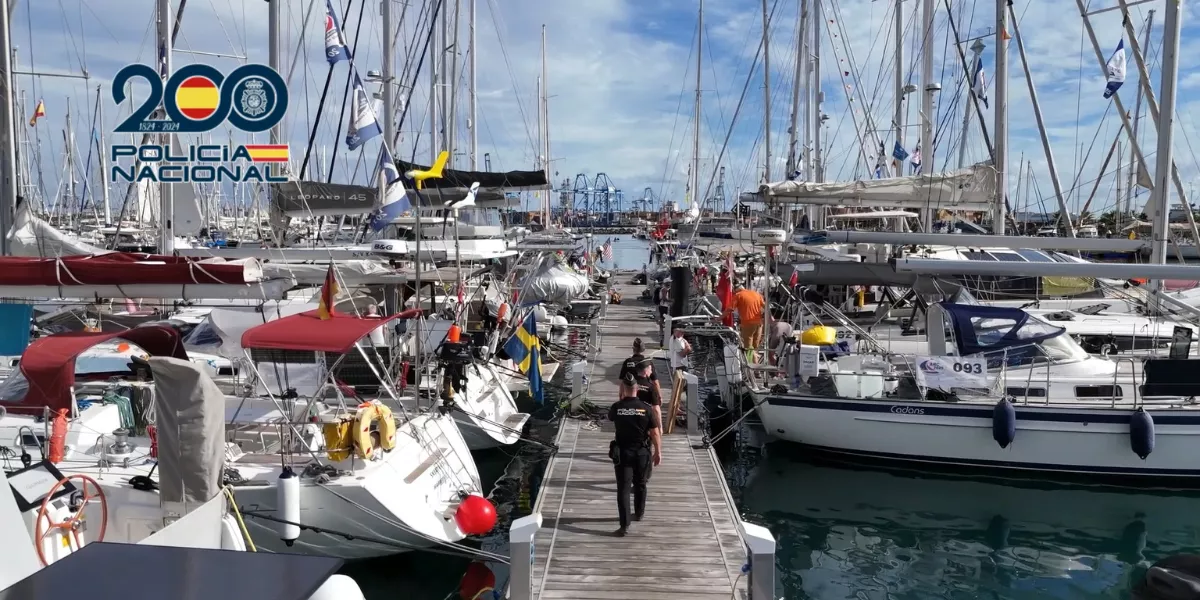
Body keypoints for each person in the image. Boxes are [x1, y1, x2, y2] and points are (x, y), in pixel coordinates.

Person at [608, 372, 662, 536]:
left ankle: (624, 526)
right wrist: (658, 452)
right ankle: (639, 513)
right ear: (637, 389)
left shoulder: (617, 408)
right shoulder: (646, 409)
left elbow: (610, 418)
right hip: (642, 452)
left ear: (623, 389)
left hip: (623, 452)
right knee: (641, 484)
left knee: (623, 489)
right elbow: (654, 433)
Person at [620, 338, 661, 405]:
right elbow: (655, 382)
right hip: (645, 391)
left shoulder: (627, 362)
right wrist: (659, 396)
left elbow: (622, 381)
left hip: (630, 392)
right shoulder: (648, 363)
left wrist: (621, 395)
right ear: (643, 349)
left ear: (633, 349)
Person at [733, 283, 766, 351]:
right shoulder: (757, 294)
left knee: (748, 347)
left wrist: (720, 318)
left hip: (747, 324)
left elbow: (730, 309)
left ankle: (749, 361)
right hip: (759, 324)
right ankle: (755, 361)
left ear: (737, 290)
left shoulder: (738, 295)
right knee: (755, 347)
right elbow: (766, 307)